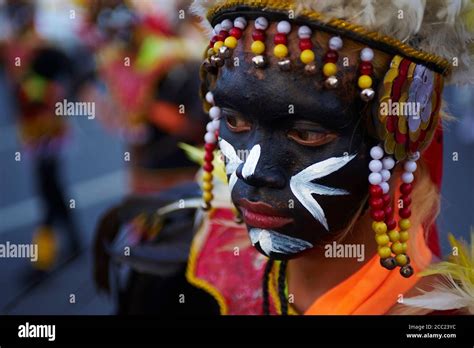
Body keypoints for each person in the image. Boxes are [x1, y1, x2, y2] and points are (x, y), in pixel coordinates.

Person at [94, 0, 474, 315]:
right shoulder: (181, 273)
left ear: (403, 132)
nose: (253, 169)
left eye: (307, 133)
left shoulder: (436, 317)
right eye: (235, 120)